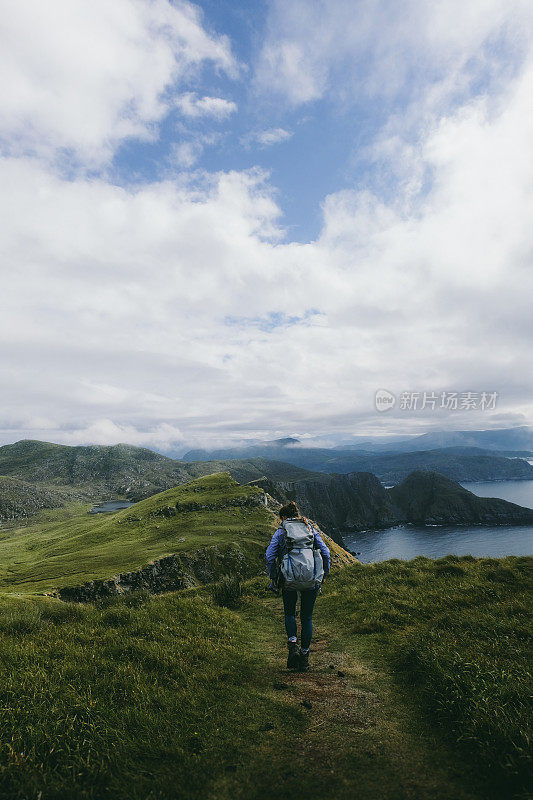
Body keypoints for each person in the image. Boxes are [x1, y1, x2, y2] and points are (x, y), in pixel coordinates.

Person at [265, 502, 330, 672]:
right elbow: (326, 552)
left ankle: (293, 645)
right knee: (307, 617)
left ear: (284, 517)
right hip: (311, 578)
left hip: (289, 579)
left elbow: (270, 556)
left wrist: (274, 578)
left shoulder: (281, 532)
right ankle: (305, 657)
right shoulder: (310, 528)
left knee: (289, 613)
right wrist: (324, 573)